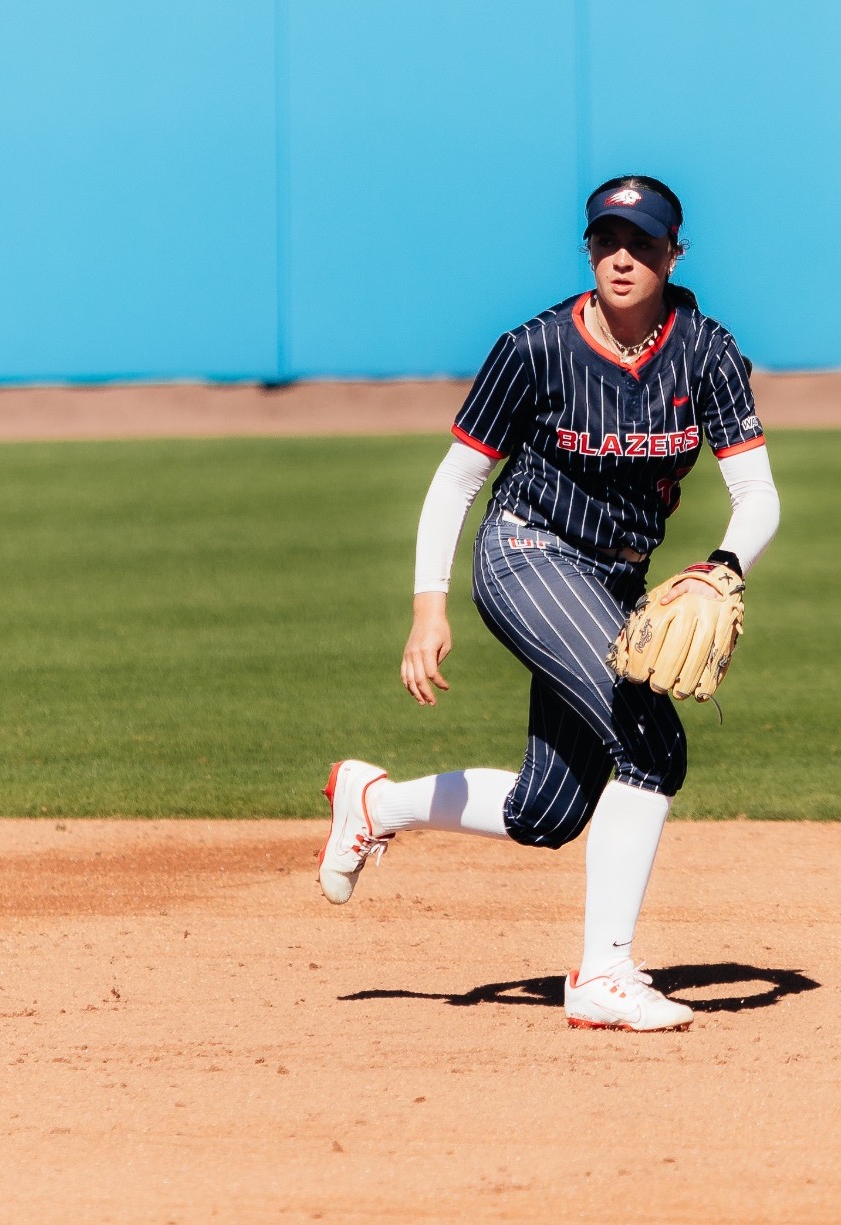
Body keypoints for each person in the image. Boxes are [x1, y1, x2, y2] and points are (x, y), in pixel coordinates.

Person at [317, 175, 781, 1032]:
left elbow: (757, 494)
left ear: (675, 254)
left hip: (613, 580)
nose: (622, 258)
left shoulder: (707, 353)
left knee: (549, 811)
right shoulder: (534, 348)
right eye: (607, 240)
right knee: (652, 741)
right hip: (525, 552)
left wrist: (721, 565)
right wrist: (429, 605)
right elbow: (457, 481)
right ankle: (603, 974)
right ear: (589, 248)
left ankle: (374, 804)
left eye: (643, 243)